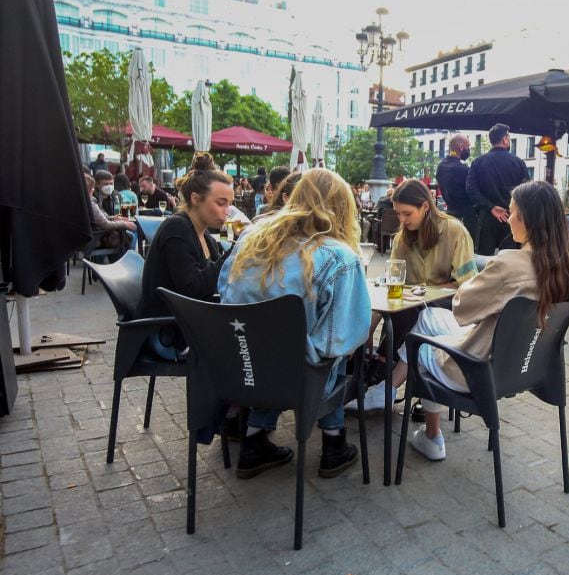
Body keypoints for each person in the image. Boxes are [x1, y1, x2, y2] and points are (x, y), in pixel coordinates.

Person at [405, 180, 569, 461]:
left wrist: (479, 279)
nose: (509, 220)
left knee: (420, 336)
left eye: (513, 212)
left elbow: (462, 308)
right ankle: (389, 391)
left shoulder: (509, 265)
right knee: (432, 317)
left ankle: (431, 436)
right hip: (527, 369)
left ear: (528, 219)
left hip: (479, 371)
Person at [220, 168, 369, 479]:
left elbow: (224, 291)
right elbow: (339, 341)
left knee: (275, 340)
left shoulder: (251, 237)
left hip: (236, 371)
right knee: (337, 348)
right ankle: (333, 443)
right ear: (342, 209)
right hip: (297, 382)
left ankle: (254, 440)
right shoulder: (339, 258)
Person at [358, 179, 480, 412]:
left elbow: (468, 284)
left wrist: (428, 291)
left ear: (425, 206)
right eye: (397, 214)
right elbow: (393, 283)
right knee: (397, 308)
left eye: (407, 214)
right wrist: (369, 328)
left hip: (449, 307)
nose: (401, 220)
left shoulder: (454, 231)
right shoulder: (402, 238)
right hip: (411, 304)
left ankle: (382, 373)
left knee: (409, 311)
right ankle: (382, 372)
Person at [137, 153, 233, 359]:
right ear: (195, 199)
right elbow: (193, 288)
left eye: (229, 204)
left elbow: (211, 280)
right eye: (221, 203)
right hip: (166, 333)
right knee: (244, 347)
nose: (228, 211)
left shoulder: (203, 232)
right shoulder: (177, 228)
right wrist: (232, 256)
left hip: (186, 322)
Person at [466, 123, 529, 254]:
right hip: (512, 218)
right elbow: (527, 192)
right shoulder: (519, 163)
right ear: (505, 139)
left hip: (486, 218)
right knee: (511, 259)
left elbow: (471, 189)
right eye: (509, 138)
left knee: (485, 260)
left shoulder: (477, 162)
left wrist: (491, 207)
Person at [436, 133, 477, 238]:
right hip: (466, 217)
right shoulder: (463, 169)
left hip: (449, 214)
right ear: (461, 147)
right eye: (468, 147)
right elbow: (473, 191)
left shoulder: (441, 166)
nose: (469, 150)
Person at [85, 173, 137, 253]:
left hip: (97, 233)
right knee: (128, 235)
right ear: (97, 185)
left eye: (111, 183)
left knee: (128, 233)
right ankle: (122, 261)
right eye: (106, 184)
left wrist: (116, 218)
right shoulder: (91, 200)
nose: (109, 186)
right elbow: (105, 224)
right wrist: (124, 223)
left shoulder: (115, 195)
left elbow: (104, 216)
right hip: (97, 237)